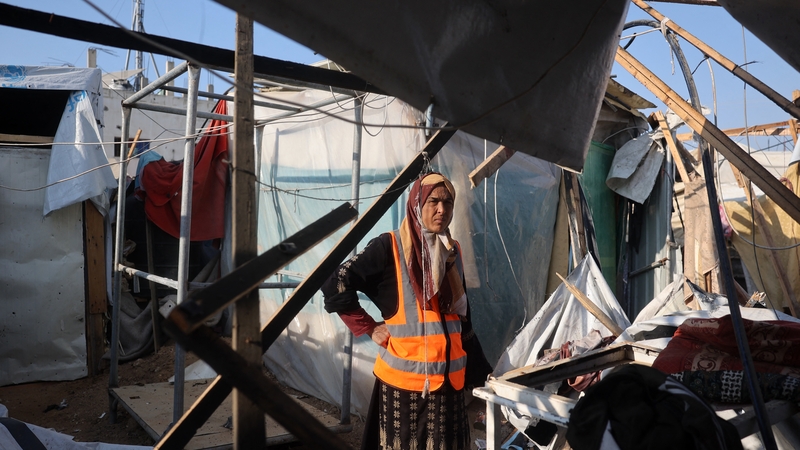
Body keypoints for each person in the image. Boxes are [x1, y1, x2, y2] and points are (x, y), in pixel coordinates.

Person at [323, 172, 492, 450]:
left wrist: (481, 374)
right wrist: (369, 326)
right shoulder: (390, 247)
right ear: (416, 204)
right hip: (406, 390)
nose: (442, 209)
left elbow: (462, 319)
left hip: (449, 385)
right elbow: (336, 283)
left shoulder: (452, 250)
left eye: (448, 202)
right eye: (434, 201)